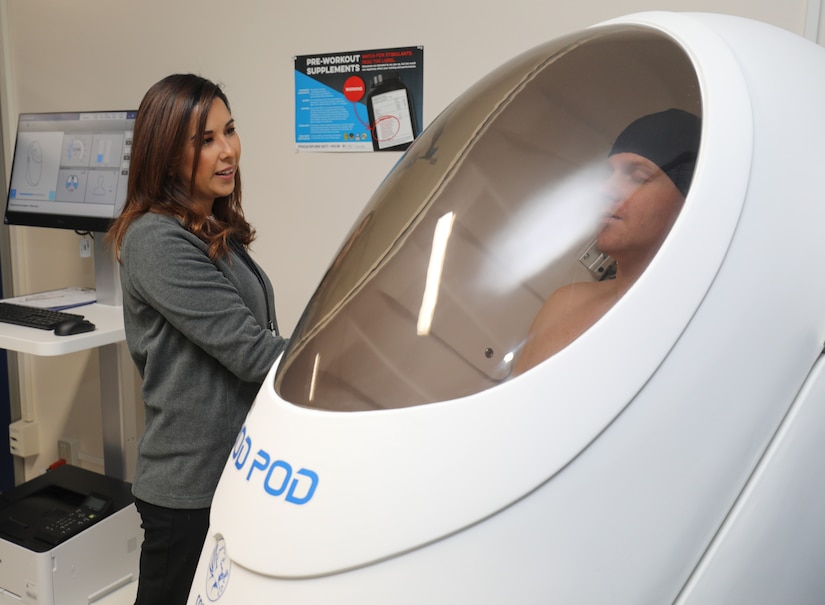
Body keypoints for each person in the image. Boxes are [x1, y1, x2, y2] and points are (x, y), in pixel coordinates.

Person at [106, 74, 288, 604]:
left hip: (232, 474)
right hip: (188, 490)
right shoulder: (156, 240)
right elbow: (252, 351)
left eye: (229, 131)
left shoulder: (209, 228)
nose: (227, 151)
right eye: (205, 140)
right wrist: (339, 354)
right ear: (166, 156)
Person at [514, 108, 700, 375]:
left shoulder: (698, 322)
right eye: (608, 175)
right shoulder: (563, 305)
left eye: (637, 177)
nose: (604, 190)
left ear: (688, 199)